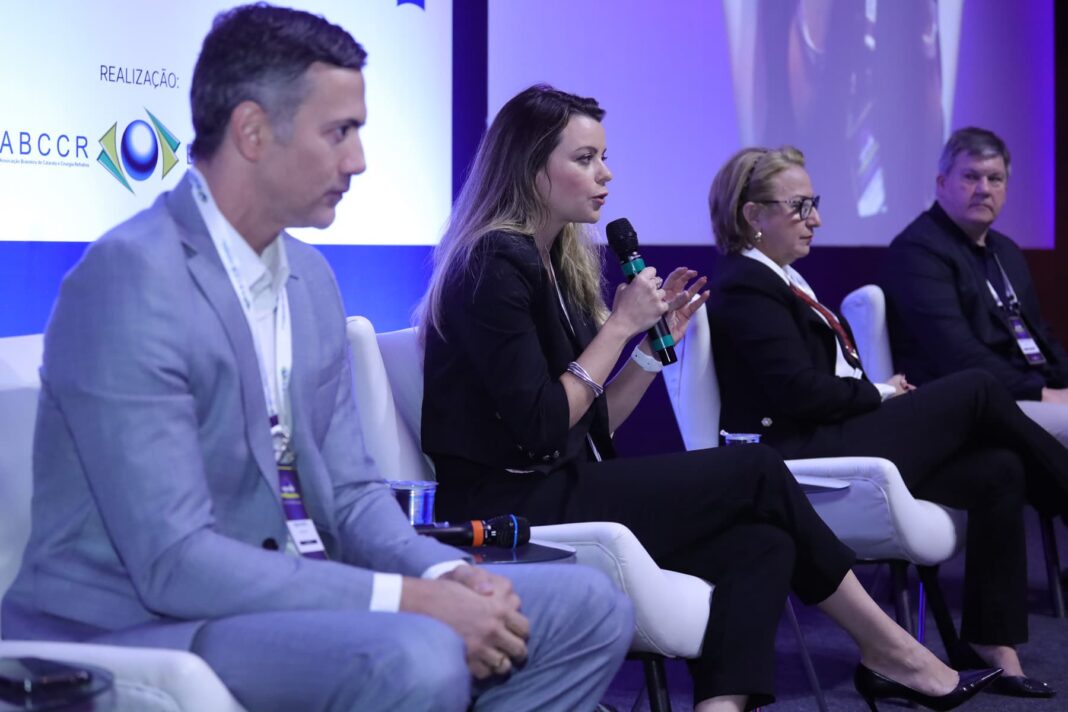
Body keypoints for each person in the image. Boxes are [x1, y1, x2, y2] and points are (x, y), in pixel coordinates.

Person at [0, 7, 635, 711]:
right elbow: (174, 560)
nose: (358, 160)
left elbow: (354, 495)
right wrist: (407, 600)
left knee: (589, 606)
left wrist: (447, 575)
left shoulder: (309, 278)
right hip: (143, 622)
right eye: (339, 132)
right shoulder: (130, 279)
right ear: (252, 131)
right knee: (417, 653)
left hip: (299, 591)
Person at [419, 84, 998, 712]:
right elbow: (541, 426)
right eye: (585, 159)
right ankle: (892, 652)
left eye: (605, 157)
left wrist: (649, 350)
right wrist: (618, 327)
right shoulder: (492, 262)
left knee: (763, 541)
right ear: (529, 167)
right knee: (754, 468)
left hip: (557, 479)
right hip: (503, 506)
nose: (606, 174)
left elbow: (590, 426)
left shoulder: (555, 261)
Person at [706, 144, 1068, 699]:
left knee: (998, 468)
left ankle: (994, 643)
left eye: (814, 203)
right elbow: (798, 393)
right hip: (800, 451)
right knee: (977, 387)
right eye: (800, 206)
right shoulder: (747, 285)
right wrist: (880, 392)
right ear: (753, 214)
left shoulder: (782, 278)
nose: (815, 219)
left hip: (830, 433)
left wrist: (878, 393)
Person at [880, 127, 1068, 448]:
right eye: (971, 177)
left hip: (1024, 391)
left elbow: (1041, 336)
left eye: (995, 179)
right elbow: (956, 354)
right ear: (942, 183)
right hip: (966, 401)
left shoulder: (1006, 251)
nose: (984, 189)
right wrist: (1042, 394)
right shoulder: (917, 252)